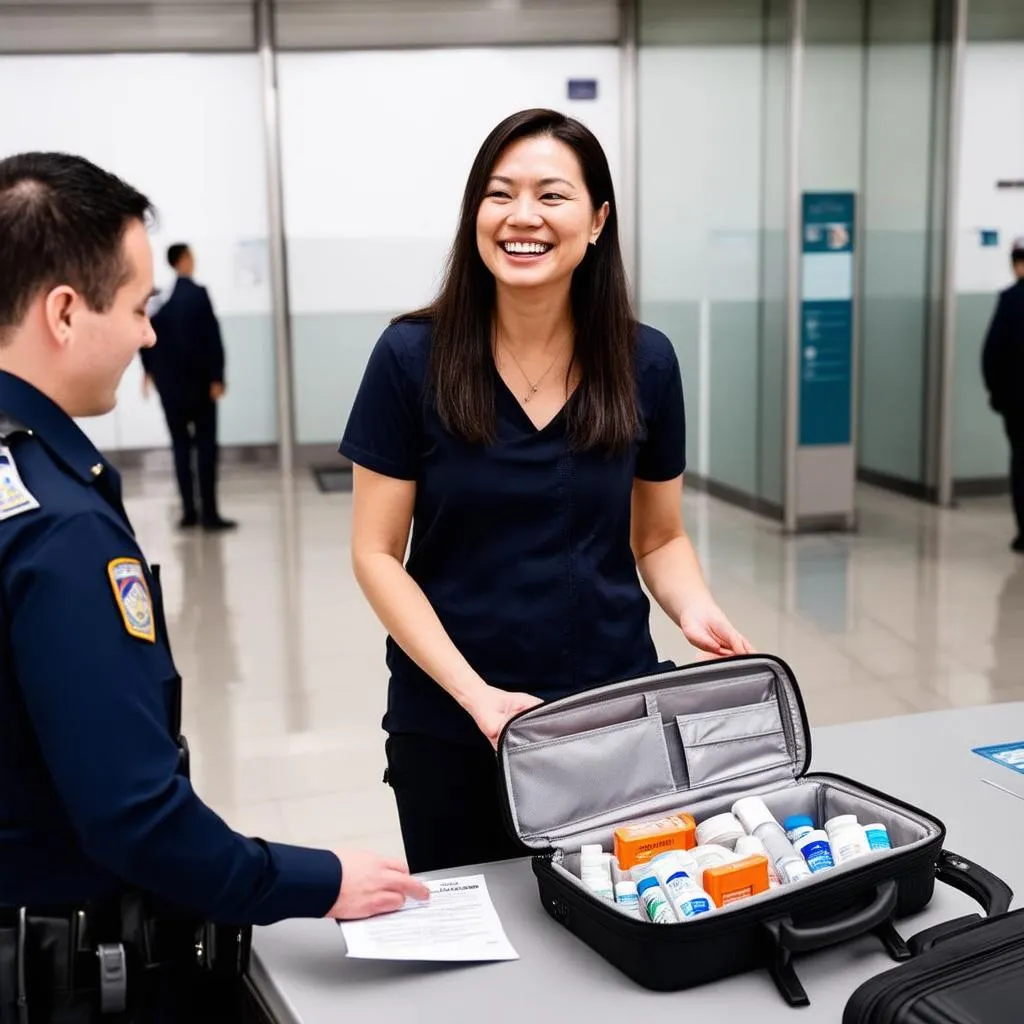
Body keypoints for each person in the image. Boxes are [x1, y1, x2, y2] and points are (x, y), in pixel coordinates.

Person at [0, 152, 428, 1022]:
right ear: (64, 313)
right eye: (137, 308)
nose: (148, 334)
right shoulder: (58, 527)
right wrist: (318, 880)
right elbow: (133, 818)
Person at [340, 109, 753, 875]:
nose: (522, 216)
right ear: (475, 216)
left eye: (551, 195)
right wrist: (476, 695)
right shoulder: (410, 358)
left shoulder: (646, 363)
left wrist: (696, 610)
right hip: (451, 721)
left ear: (597, 222)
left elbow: (658, 536)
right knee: (483, 952)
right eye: (500, 194)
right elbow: (375, 554)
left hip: (609, 714)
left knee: (617, 920)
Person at [142, 243, 235, 532]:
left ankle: (188, 512)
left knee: (180, 448)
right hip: (201, 387)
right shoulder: (198, 294)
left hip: (170, 389)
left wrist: (149, 372)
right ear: (183, 260)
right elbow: (212, 339)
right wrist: (217, 378)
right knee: (206, 448)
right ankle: (210, 514)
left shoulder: (158, 301)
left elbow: (146, 338)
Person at [982, 237, 1024, 554]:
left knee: (1022, 465)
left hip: (1018, 404)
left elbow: (992, 354)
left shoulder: (1011, 300)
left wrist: (997, 394)